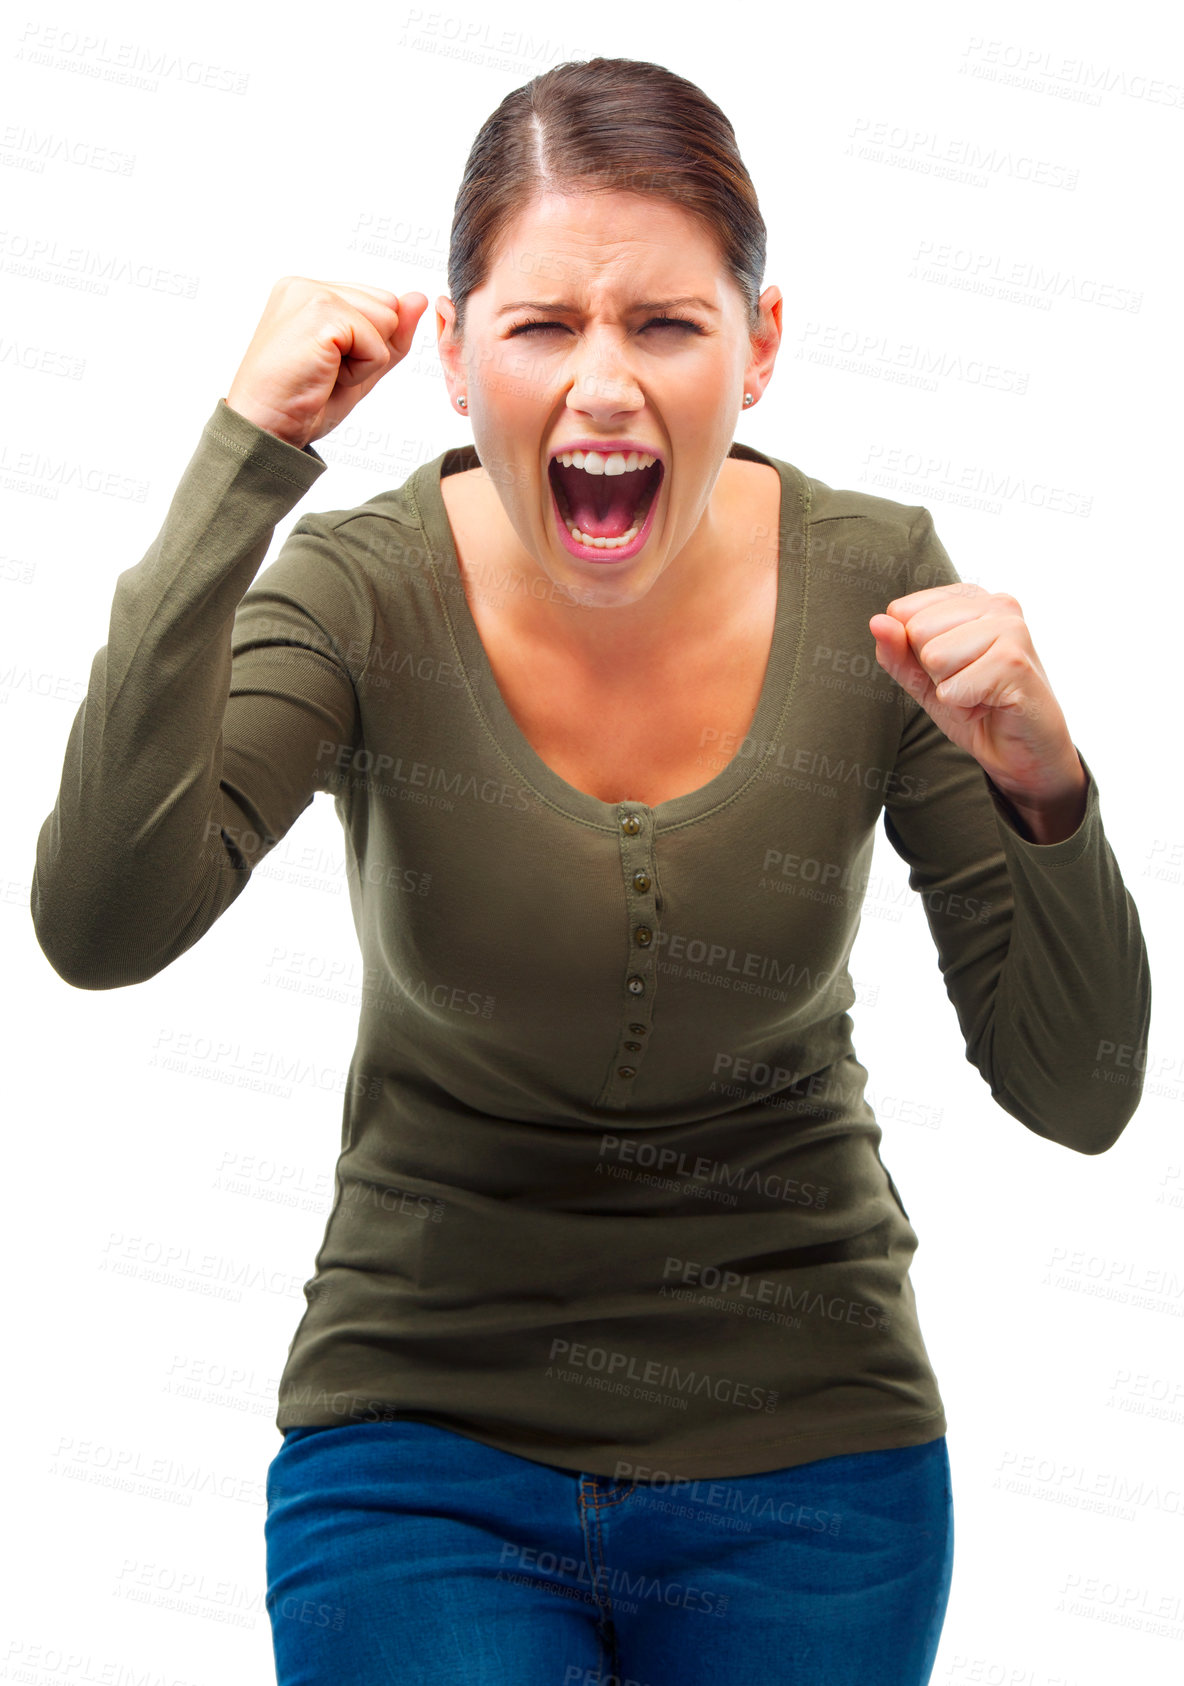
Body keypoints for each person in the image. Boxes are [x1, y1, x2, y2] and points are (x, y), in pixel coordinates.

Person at [30, 55, 1151, 1686]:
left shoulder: (880, 585)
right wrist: (241, 461)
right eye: (544, 326)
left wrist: (1048, 788)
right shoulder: (359, 589)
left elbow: (1082, 1089)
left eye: (668, 325)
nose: (605, 384)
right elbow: (98, 922)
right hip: (420, 1440)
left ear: (759, 349)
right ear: (458, 353)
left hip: (811, 1449)